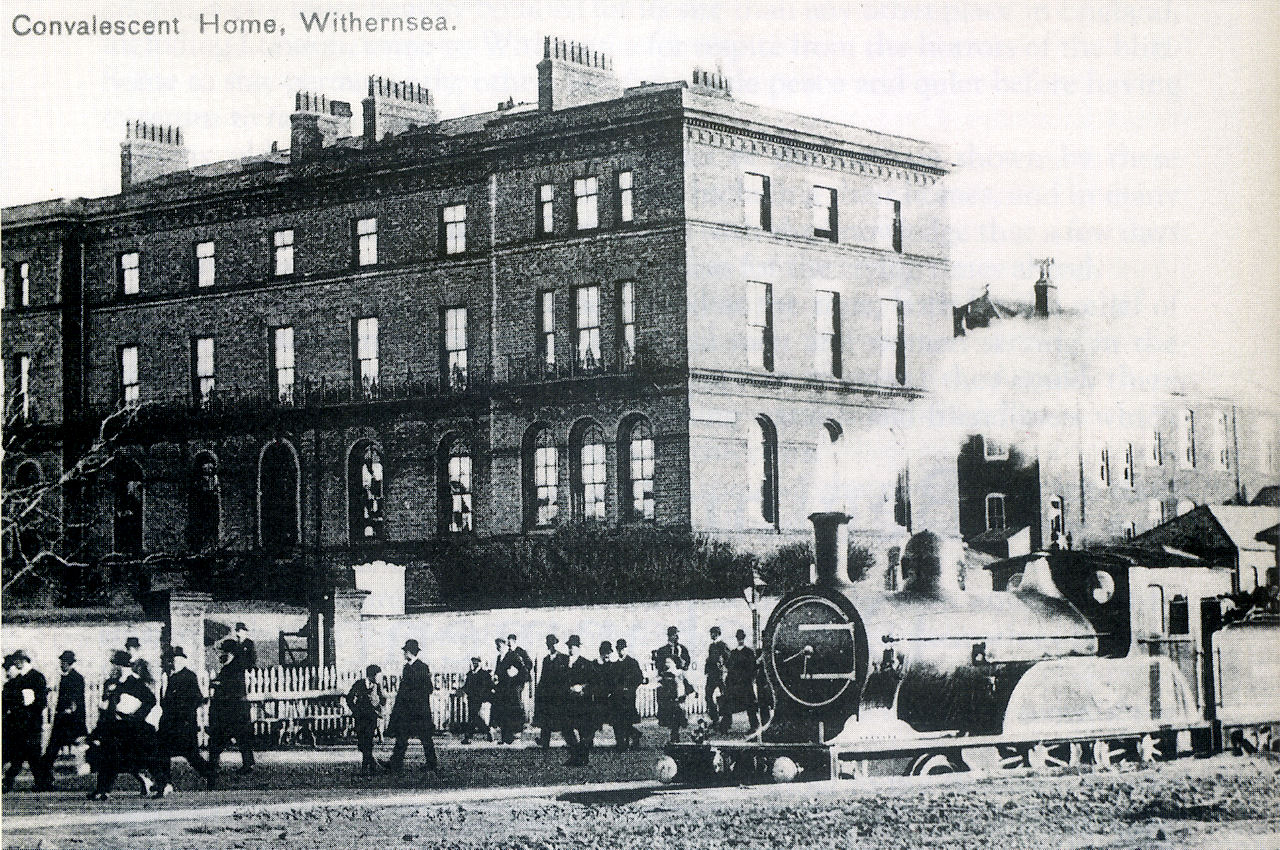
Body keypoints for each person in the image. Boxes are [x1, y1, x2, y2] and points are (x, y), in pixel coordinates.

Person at [88, 650, 159, 800]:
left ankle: (158, 782)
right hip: (112, 726)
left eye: (116, 666)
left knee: (133, 759)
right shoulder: (110, 683)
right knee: (108, 756)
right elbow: (106, 705)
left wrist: (137, 716)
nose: (113, 669)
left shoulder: (134, 683)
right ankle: (102, 789)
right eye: (113, 666)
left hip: (129, 727)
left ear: (124, 667)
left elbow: (150, 701)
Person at [155, 646, 215, 795]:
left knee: (191, 755)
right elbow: (166, 701)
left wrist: (183, 711)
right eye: (172, 660)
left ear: (183, 660)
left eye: (177, 659)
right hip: (170, 723)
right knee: (162, 753)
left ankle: (210, 774)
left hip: (184, 724)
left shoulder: (189, 676)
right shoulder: (171, 677)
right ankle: (164, 782)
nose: (174, 662)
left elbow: (197, 699)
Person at [385, 639, 437, 773]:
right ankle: (395, 763)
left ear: (409, 652)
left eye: (405, 651)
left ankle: (432, 763)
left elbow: (428, 688)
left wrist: (412, 697)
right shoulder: (407, 667)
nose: (403, 654)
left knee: (425, 737)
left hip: (419, 710)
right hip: (407, 710)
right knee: (402, 736)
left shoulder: (422, 667)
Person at [39, 650, 89, 789]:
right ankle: (45, 781)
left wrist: (71, 709)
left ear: (71, 663)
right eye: (62, 662)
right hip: (62, 721)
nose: (63, 664)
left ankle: (89, 771)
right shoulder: (62, 677)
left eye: (65, 662)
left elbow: (77, 700)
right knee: (51, 751)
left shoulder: (76, 678)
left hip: (72, 721)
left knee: (80, 747)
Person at [2, 650, 50, 792]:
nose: (15, 663)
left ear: (23, 661)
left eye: (17, 660)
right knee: (21, 754)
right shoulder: (18, 680)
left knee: (32, 755)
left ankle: (43, 782)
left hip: (32, 724)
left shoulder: (36, 677)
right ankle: (41, 782)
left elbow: (41, 702)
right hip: (19, 724)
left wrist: (29, 707)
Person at [208, 638, 255, 776]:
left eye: (224, 653)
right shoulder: (233, 667)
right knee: (240, 739)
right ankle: (247, 763)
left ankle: (214, 765)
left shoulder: (233, 668)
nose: (220, 656)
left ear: (231, 653)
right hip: (236, 710)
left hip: (233, 710)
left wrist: (216, 684)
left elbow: (229, 688)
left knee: (219, 739)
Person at [561, 635, 596, 766]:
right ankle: (575, 754)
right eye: (569, 647)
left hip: (582, 702)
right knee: (566, 729)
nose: (571, 649)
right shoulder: (563, 663)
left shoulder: (586, 664)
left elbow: (594, 683)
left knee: (584, 731)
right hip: (568, 702)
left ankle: (583, 757)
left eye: (574, 647)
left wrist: (582, 687)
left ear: (579, 648)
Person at [345, 664, 386, 774]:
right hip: (360, 717)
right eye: (378, 676)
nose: (379, 678)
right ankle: (373, 764)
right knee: (362, 743)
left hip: (372, 717)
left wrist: (379, 710)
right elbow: (349, 697)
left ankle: (366, 767)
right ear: (371, 675)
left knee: (368, 741)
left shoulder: (378, 685)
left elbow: (383, 699)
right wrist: (355, 710)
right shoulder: (359, 684)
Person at [493, 633, 532, 744]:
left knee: (512, 710)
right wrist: (496, 676)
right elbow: (497, 670)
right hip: (502, 688)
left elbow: (524, 670)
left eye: (499, 646)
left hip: (512, 688)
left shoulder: (514, 655)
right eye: (497, 647)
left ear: (505, 645)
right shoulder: (499, 657)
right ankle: (505, 736)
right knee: (503, 711)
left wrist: (515, 674)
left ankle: (514, 734)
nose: (498, 648)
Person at [721, 629, 760, 734]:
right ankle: (725, 725)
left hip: (745, 683)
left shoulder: (749, 652)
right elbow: (729, 666)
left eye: (741, 637)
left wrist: (750, 679)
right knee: (728, 703)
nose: (740, 640)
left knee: (750, 705)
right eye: (739, 638)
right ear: (737, 638)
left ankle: (754, 726)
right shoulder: (733, 653)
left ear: (744, 638)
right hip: (734, 683)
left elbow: (753, 667)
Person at [533, 634, 568, 749]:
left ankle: (571, 741)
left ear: (556, 644)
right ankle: (545, 741)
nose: (551, 645)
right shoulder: (546, 660)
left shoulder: (563, 658)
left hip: (559, 694)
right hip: (548, 694)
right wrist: (539, 690)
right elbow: (543, 677)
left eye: (552, 643)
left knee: (562, 719)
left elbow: (566, 676)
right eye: (549, 643)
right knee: (546, 719)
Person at [613, 639, 646, 750]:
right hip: (617, 696)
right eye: (619, 649)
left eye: (622, 649)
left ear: (626, 649)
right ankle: (624, 741)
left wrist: (630, 688)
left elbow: (639, 678)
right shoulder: (616, 664)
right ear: (616, 650)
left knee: (626, 719)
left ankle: (627, 740)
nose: (621, 651)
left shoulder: (632, 662)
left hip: (628, 696)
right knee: (618, 719)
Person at [656, 656, 696, 744]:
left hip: (679, 700)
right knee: (671, 720)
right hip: (668, 701)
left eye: (669, 662)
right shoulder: (664, 675)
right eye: (666, 662)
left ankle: (675, 735)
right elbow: (660, 687)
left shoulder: (680, 674)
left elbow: (688, 686)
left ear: (675, 663)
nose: (667, 664)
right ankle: (674, 736)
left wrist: (687, 693)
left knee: (677, 719)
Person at [457, 658, 493, 744]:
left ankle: (469, 736)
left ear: (480, 663)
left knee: (473, 717)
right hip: (471, 699)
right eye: (473, 662)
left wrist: (485, 695)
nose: (475, 663)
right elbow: (466, 686)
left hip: (480, 699)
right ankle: (487, 732)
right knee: (473, 717)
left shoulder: (485, 674)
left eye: (477, 662)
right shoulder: (470, 674)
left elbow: (489, 686)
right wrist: (460, 690)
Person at [704, 626, 729, 729]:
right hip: (711, 675)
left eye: (712, 633)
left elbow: (728, 657)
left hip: (720, 675)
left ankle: (726, 721)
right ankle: (715, 719)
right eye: (711, 633)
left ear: (717, 634)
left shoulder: (722, 645)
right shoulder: (711, 646)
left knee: (725, 697)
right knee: (708, 696)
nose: (711, 635)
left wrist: (723, 668)